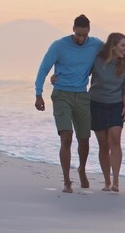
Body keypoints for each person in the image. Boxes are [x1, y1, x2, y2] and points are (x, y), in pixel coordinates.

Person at [34, 14, 103, 193]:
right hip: (61, 94)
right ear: (73, 29)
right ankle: (66, 180)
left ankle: (82, 169)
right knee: (66, 137)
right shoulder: (59, 45)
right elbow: (44, 68)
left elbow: (115, 50)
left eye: (84, 35)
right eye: (78, 34)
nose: (81, 39)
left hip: (81, 95)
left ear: (89, 32)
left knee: (84, 140)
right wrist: (38, 94)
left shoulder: (95, 44)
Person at [89, 32, 125, 192]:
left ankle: (116, 180)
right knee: (103, 144)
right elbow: (81, 72)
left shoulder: (124, 63)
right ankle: (106, 181)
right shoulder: (97, 60)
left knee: (115, 139)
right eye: (122, 45)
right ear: (113, 46)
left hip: (115, 105)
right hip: (96, 104)